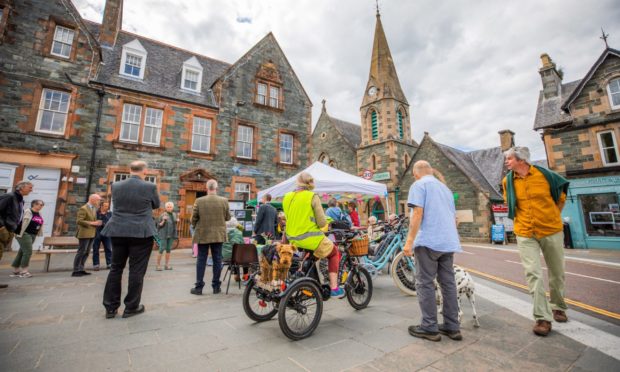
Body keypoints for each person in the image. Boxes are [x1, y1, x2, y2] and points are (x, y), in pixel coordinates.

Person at [503, 146, 569, 336]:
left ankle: (558, 306)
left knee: (557, 271)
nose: (506, 162)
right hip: (525, 232)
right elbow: (511, 203)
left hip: (551, 230)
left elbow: (561, 198)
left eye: (509, 159)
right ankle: (542, 317)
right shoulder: (508, 181)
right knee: (533, 273)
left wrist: (552, 216)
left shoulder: (546, 176)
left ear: (521, 160)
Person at [403, 160, 462, 342]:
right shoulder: (445, 189)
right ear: (431, 171)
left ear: (415, 173)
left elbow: (418, 213)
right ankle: (452, 326)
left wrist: (409, 241)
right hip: (448, 240)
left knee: (425, 283)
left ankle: (429, 327)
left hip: (428, 240)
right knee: (448, 283)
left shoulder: (418, 185)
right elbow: (454, 218)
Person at [102, 161, 160, 319]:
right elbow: (156, 205)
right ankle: (131, 307)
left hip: (118, 229)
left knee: (115, 268)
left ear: (130, 170)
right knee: (136, 270)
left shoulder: (116, 185)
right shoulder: (149, 187)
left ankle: (110, 308)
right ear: (145, 171)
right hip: (141, 232)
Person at [283, 172, 343, 297]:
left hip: (292, 238)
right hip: (309, 237)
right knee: (334, 252)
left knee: (312, 254)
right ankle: (334, 288)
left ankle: (303, 274)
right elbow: (321, 223)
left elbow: (291, 218)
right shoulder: (312, 196)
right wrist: (326, 221)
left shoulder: (287, 196)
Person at [190, 179, 230, 295]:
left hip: (203, 234)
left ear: (206, 188)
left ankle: (198, 287)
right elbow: (227, 218)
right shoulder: (224, 200)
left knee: (201, 259)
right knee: (217, 259)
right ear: (216, 188)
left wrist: (194, 225)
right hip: (218, 234)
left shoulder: (199, 200)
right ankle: (216, 286)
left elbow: (194, 219)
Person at [0, 181, 33, 288]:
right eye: (29, 187)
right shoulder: (9, 196)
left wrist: (15, 229)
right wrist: (2, 227)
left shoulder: (20, 200)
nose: (31, 190)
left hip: (10, 230)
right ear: (21, 188)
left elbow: (16, 216)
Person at [11, 200, 44, 278]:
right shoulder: (27, 211)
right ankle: (24, 271)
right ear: (34, 204)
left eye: (42, 205)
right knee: (28, 251)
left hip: (33, 234)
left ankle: (16, 270)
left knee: (22, 251)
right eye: (39, 204)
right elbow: (20, 221)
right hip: (24, 233)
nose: (41, 206)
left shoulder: (39, 213)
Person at [72, 194, 102, 277]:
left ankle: (81, 269)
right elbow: (79, 221)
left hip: (92, 233)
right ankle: (76, 270)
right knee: (81, 252)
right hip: (84, 233)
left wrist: (97, 222)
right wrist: (92, 223)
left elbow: (92, 220)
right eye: (98, 200)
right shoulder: (83, 208)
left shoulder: (93, 208)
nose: (99, 202)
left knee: (87, 252)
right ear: (93, 199)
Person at [222, 217, 246, 281]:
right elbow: (243, 246)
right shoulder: (238, 233)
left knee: (234, 254)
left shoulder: (222, 233)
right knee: (243, 254)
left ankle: (236, 274)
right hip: (237, 257)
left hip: (225, 257)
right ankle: (245, 275)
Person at [156, 202, 177, 271]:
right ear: (165, 208)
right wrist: (163, 220)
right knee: (161, 249)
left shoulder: (174, 215)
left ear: (172, 208)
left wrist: (177, 221)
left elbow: (174, 225)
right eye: (168, 207)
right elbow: (159, 226)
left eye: (170, 207)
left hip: (170, 235)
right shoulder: (163, 215)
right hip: (163, 234)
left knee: (168, 249)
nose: (169, 208)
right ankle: (158, 265)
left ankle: (166, 265)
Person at [92, 201, 112, 271]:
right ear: (101, 206)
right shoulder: (95, 213)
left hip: (107, 234)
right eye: (106, 206)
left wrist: (103, 223)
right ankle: (96, 264)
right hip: (97, 233)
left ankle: (109, 264)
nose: (107, 207)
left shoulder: (110, 213)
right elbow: (93, 222)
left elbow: (111, 222)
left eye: (108, 206)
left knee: (108, 249)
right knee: (95, 249)